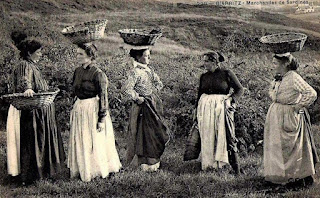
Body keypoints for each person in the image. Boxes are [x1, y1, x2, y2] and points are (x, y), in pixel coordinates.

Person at [8, 39, 65, 185]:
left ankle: (42, 172)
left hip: (40, 109)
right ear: (29, 53)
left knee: (39, 140)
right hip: (31, 110)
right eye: (38, 52)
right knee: (33, 142)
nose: (41, 54)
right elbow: (24, 80)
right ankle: (31, 176)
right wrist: (27, 88)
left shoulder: (33, 65)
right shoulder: (24, 65)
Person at [67, 43, 122, 182]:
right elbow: (73, 89)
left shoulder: (98, 74)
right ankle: (82, 168)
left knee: (93, 140)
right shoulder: (77, 71)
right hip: (80, 108)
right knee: (81, 138)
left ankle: (97, 169)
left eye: (81, 54)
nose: (78, 56)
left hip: (93, 109)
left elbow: (103, 97)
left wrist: (101, 118)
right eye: (77, 54)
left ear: (90, 56)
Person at [263, 52, 318, 186]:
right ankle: (279, 176)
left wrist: (298, 105)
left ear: (285, 64)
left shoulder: (293, 77)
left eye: (275, 63)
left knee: (290, 147)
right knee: (276, 146)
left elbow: (311, 93)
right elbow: (274, 95)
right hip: (276, 114)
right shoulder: (280, 77)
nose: (273, 65)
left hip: (289, 114)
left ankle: (296, 178)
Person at [122, 48, 169, 172]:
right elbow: (127, 89)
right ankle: (138, 162)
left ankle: (152, 161)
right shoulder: (134, 72)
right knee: (138, 132)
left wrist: (153, 93)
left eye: (149, 55)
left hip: (151, 105)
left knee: (153, 131)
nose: (149, 58)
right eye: (147, 56)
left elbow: (159, 84)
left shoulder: (149, 70)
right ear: (138, 57)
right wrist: (137, 98)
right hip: (140, 106)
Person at [196, 51, 243, 173]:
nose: (204, 63)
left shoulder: (226, 73)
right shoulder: (204, 76)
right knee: (208, 134)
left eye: (206, 61)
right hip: (206, 109)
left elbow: (239, 89)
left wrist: (231, 100)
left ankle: (236, 168)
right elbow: (200, 93)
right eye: (203, 61)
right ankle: (211, 164)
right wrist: (195, 109)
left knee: (227, 135)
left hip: (222, 108)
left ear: (214, 62)